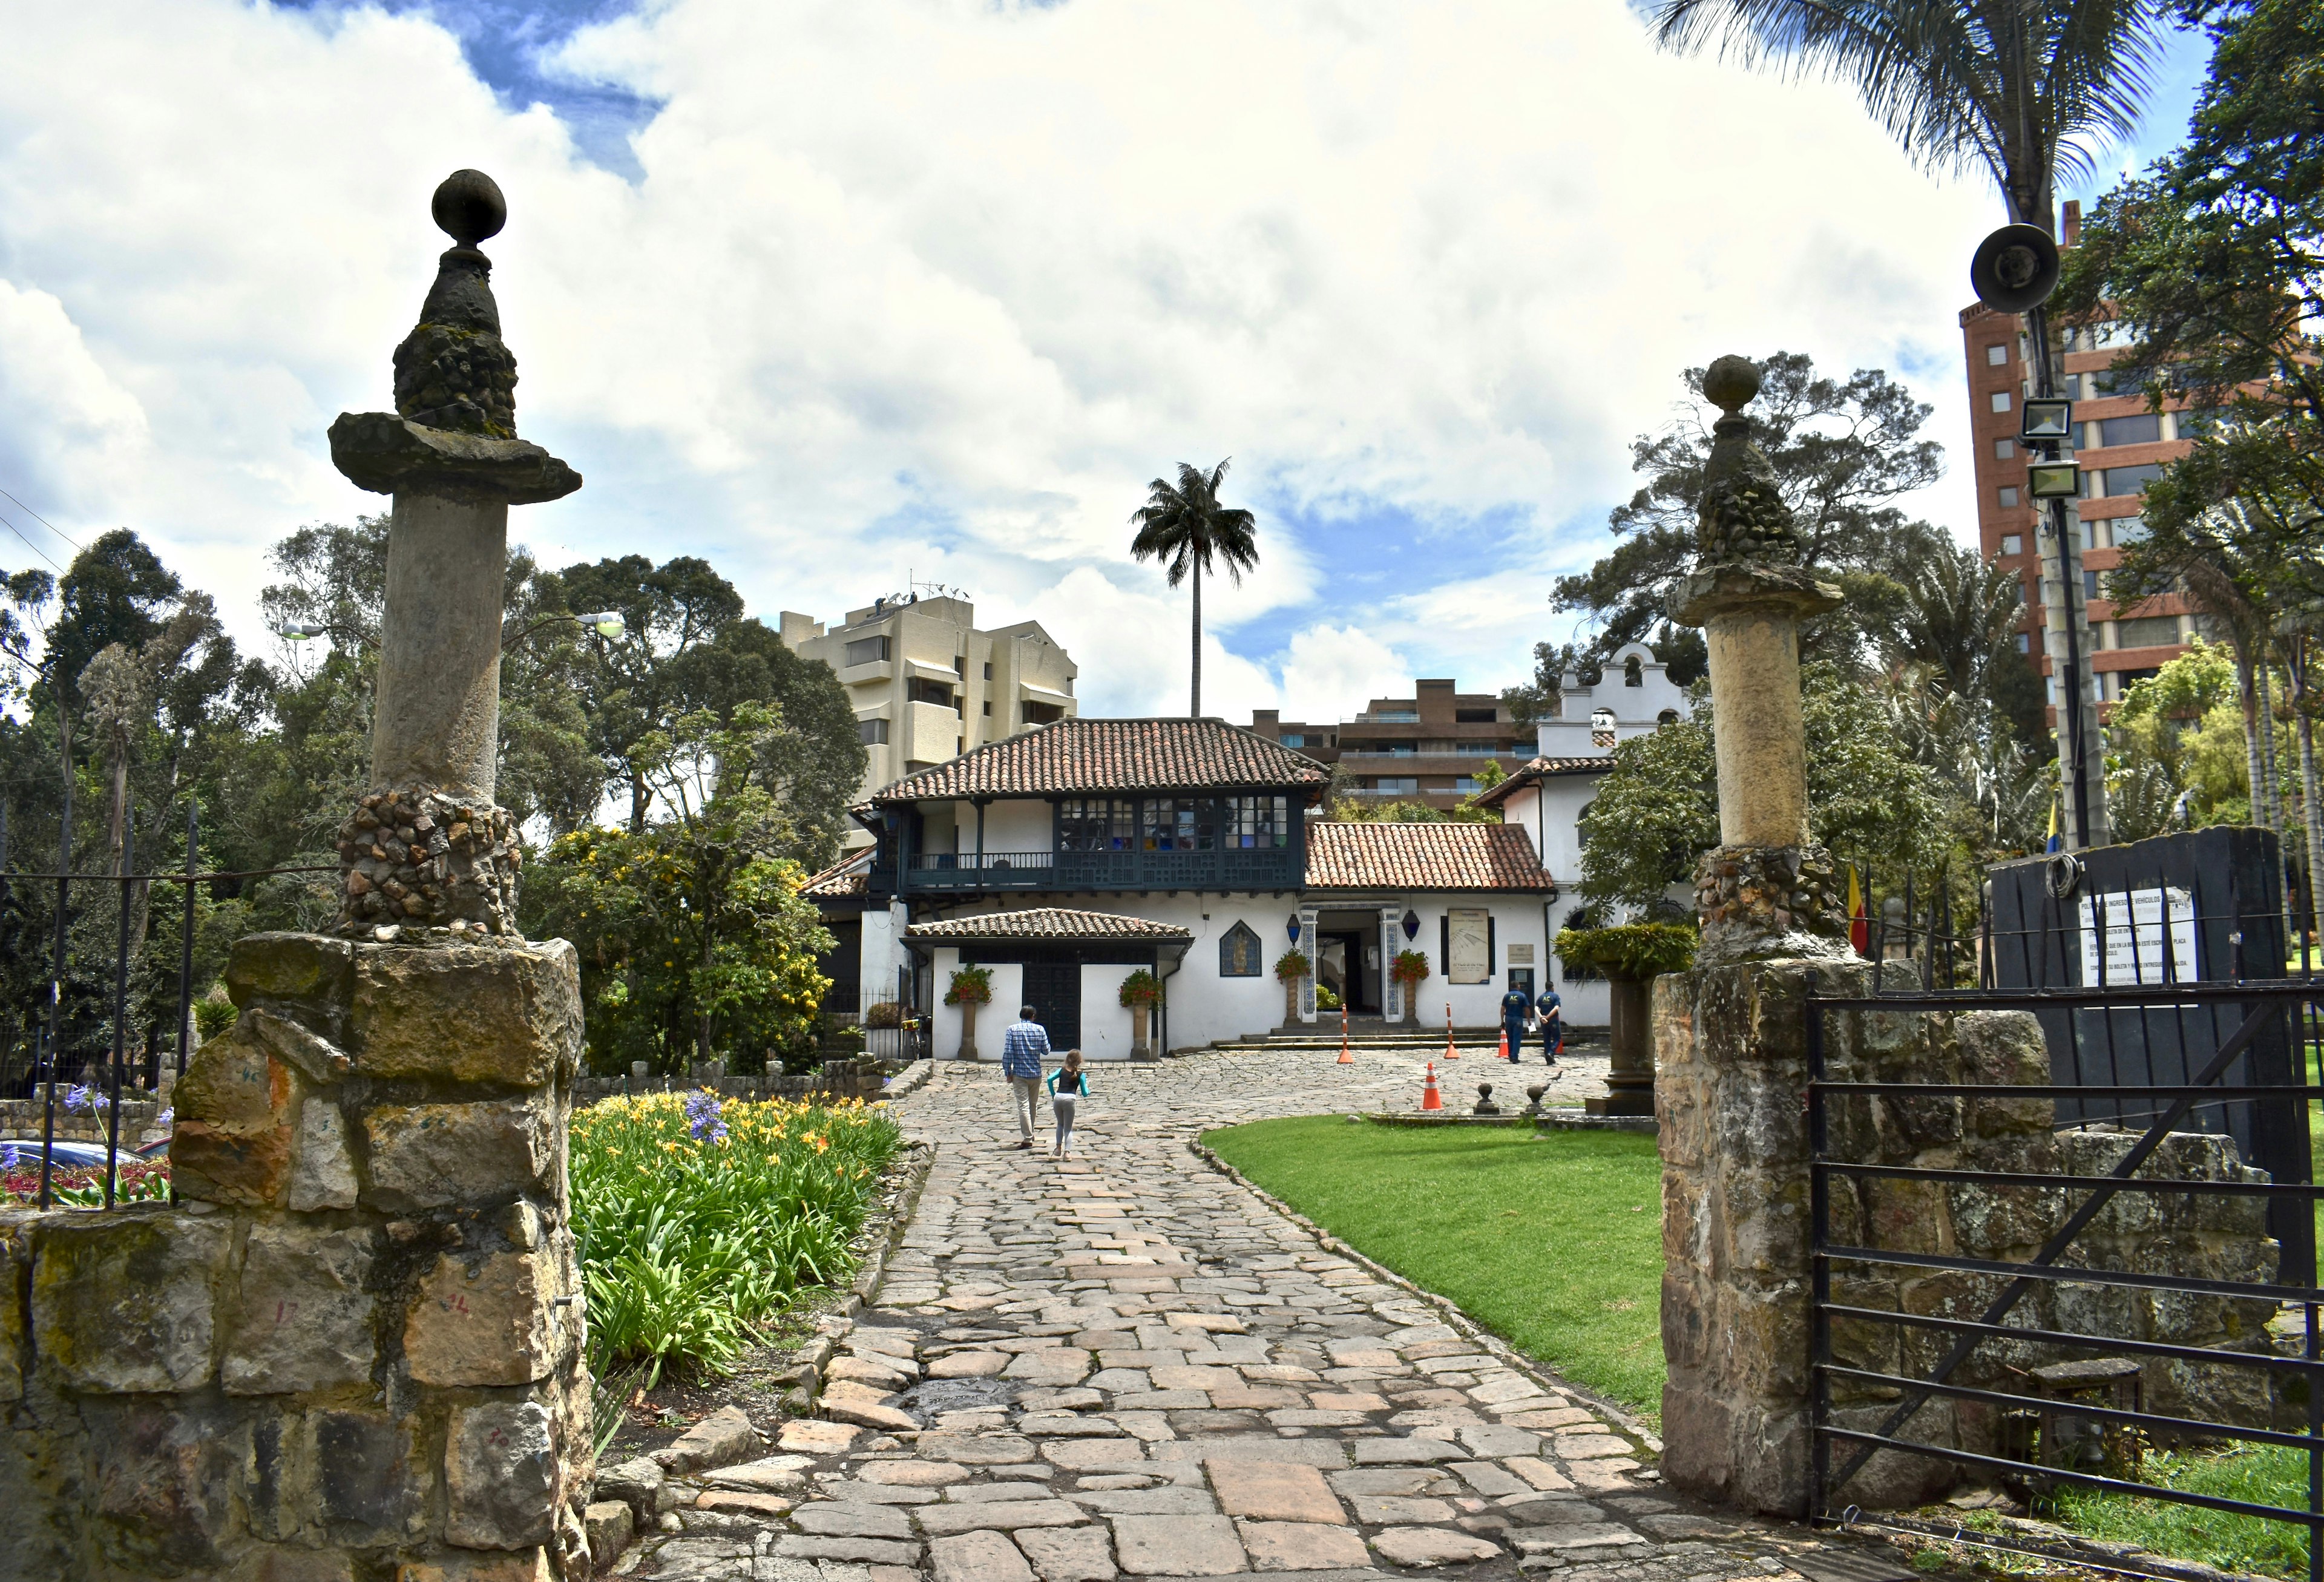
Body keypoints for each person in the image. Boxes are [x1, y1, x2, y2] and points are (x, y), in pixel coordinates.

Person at [999, 1004, 1051, 1149]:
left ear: (1020, 1016)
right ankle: (1030, 1133)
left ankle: (1028, 1138)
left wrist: (1007, 1072)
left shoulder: (1012, 1030)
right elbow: (1046, 1050)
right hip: (1036, 1073)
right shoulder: (1040, 1029)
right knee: (1033, 1105)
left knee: (1023, 1105)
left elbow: (1008, 1053)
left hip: (1020, 1074)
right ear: (1033, 1016)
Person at [1045, 1049, 1091, 1159]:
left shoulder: (1061, 1070)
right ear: (1080, 1061)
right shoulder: (1080, 1074)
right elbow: (1085, 1093)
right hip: (1070, 1099)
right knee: (1068, 1128)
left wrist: (1053, 1094)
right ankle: (1067, 1153)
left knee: (1060, 1124)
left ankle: (1058, 1148)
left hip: (1058, 1098)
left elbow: (1049, 1079)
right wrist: (1088, 1090)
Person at [1500, 980, 1531, 1062]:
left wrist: (1502, 1020)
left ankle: (1510, 1054)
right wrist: (1529, 1021)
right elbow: (1527, 1009)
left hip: (1508, 1018)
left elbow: (1503, 1008)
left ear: (1511, 987)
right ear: (1518, 986)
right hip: (1518, 1018)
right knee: (1517, 1038)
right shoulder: (1522, 996)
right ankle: (1515, 1056)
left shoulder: (1507, 996)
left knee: (1510, 1038)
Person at [1534, 984, 1563, 1065]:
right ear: (1552, 988)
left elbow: (1536, 1008)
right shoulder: (1555, 996)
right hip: (1553, 1019)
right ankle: (1551, 1053)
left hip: (1544, 1021)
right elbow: (1556, 1008)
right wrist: (1548, 1017)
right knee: (1557, 1038)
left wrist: (1541, 1017)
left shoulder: (1541, 997)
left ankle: (1548, 1059)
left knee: (1547, 1039)